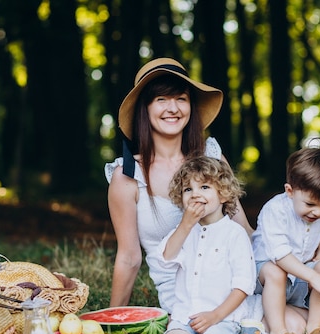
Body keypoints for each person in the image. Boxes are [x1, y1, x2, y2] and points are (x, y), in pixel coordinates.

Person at [105, 57, 253, 314]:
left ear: (191, 107)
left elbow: (242, 227)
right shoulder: (128, 176)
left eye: (181, 99)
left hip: (233, 284)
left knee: (305, 319)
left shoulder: (212, 157)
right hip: (183, 297)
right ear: (145, 108)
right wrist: (111, 318)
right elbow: (129, 257)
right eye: (161, 99)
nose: (172, 108)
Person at [150, 156, 262, 334]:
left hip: (222, 317)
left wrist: (216, 316)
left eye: (204, 187)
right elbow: (165, 258)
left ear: (223, 195)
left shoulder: (234, 234)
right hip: (186, 315)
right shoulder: (183, 230)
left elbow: (243, 285)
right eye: (187, 190)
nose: (195, 195)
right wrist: (185, 224)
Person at [251, 146, 320, 334]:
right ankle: (279, 332)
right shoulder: (275, 210)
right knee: (275, 271)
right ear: (290, 191)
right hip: (266, 281)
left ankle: (314, 329)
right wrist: (313, 278)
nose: (319, 212)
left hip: (298, 281)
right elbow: (280, 257)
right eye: (311, 204)